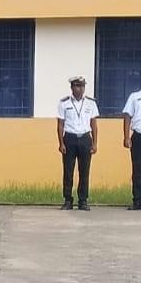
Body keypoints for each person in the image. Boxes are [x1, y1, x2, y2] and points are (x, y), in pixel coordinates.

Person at [57, 76, 99, 211]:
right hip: (69, 138)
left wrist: (95, 143)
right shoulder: (64, 103)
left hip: (85, 138)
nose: (80, 89)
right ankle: (68, 200)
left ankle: (83, 200)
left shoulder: (91, 103)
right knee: (68, 171)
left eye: (82, 86)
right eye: (77, 86)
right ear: (72, 87)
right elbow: (60, 124)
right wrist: (61, 143)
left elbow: (94, 124)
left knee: (84, 171)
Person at [121, 86, 141, 210]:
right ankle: (137, 200)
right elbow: (127, 116)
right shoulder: (134, 97)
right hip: (138, 136)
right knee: (137, 169)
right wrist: (127, 137)